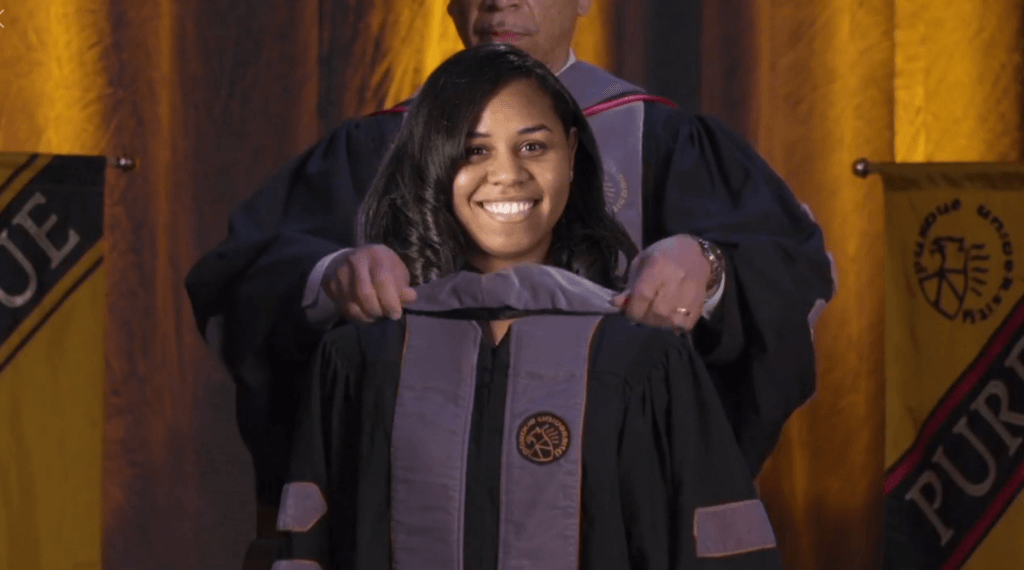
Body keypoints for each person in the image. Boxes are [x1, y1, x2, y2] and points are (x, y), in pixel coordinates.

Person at [184, 0, 836, 515]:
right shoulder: (378, 145)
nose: (501, 0)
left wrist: (709, 269)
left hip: (613, 515)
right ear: (447, 5)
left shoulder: (661, 141)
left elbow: (791, 272)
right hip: (405, 511)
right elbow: (239, 277)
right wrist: (330, 279)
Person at [272, 44, 783, 570]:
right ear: (434, 163)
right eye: (473, 150)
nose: (507, 174)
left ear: (572, 154)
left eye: (534, 147)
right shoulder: (361, 355)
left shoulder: (640, 358)